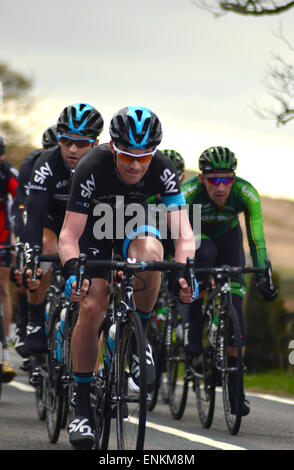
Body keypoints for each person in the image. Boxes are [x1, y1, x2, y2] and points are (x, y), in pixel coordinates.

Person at [58, 106, 197, 450]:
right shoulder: (92, 166)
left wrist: (185, 271)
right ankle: (81, 403)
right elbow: (68, 235)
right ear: (113, 147)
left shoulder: (163, 168)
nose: (136, 165)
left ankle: (138, 339)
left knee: (152, 253)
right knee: (91, 307)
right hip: (94, 233)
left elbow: (184, 235)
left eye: (144, 157)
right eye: (128, 157)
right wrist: (73, 268)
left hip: (135, 226)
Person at [181, 145, 278, 416]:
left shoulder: (246, 193)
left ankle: (237, 389)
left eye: (227, 179)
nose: (221, 187)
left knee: (235, 305)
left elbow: (256, 238)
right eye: (214, 180)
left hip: (229, 240)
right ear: (202, 179)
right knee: (204, 256)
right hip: (198, 237)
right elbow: (174, 232)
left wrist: (263, 274)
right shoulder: (188, 193)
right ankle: (194, 345)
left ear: (234, 179)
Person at [23, 104, 104, 355]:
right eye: (66, 141)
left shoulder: (103, 164)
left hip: (85, 227)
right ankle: (35, 321)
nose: (72, 149)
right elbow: (33, 214)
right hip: (52, 223)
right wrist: (31, 257)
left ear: (95, 142)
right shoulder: (46, 163)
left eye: (80, 143)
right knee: (44, 251)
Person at [11, 125, 58, 358]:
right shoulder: (33, 164)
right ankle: (23, 323)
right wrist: (23, 244)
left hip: (66, 217)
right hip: (37, 212)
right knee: (27, 267)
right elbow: (22, 207)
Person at [0, 134, 19, 382]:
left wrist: (17, 241)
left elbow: (23, 200)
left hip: (2, 238)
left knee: (2, 289)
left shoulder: (7, 173)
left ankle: (4, 355)